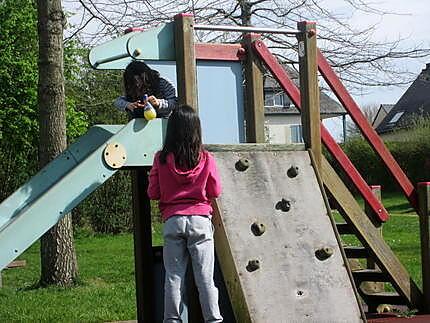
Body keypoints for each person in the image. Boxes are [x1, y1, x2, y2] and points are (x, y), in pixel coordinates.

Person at [147, 105, 223, 323]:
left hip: (173, 221)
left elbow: (153, 192)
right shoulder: (205, 158)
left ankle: (172, 320)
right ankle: (213, 320)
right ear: (195, 130)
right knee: (205, 278)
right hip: (200, 221)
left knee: (173, 276)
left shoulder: (160, 159)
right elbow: (215, 191)